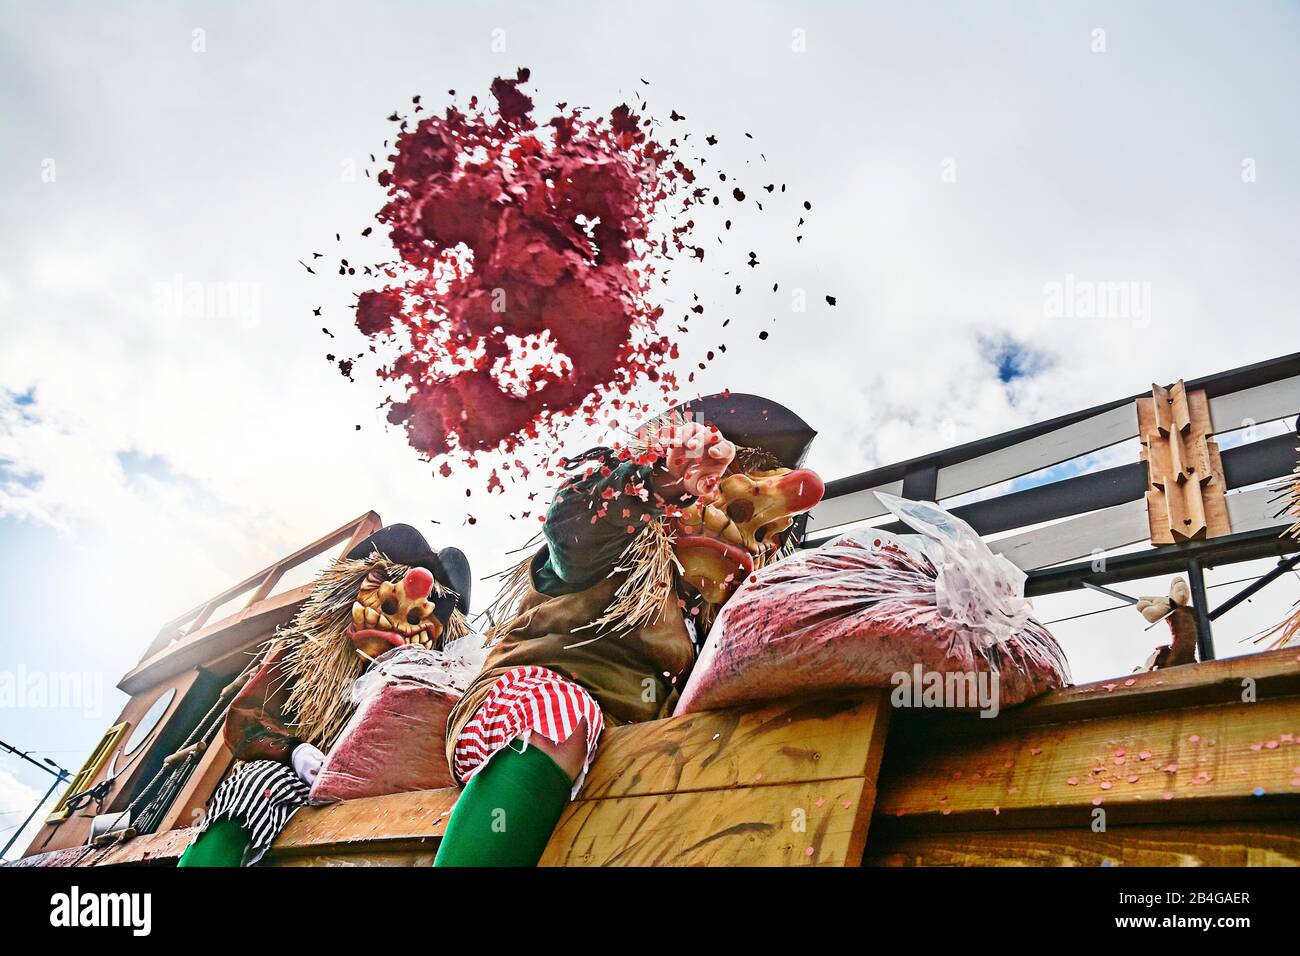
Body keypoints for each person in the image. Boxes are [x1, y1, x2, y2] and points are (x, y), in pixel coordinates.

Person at [434, 393, 824, 866]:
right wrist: (655, 478)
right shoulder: (611, 548)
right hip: (521, 710)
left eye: (768, 533)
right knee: (561, 719)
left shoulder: (714, 627)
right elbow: (574, 525)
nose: (743, 520)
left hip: (628, 752)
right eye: (723, 488)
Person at [177, 524, 471, 867]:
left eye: (427, 610)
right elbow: (245, 718)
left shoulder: (431, 685)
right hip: (293, 787)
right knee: (257, 782)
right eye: (389, 599)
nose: (402, 611)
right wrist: (294, 752)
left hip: (384, 804)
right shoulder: (302, 650)